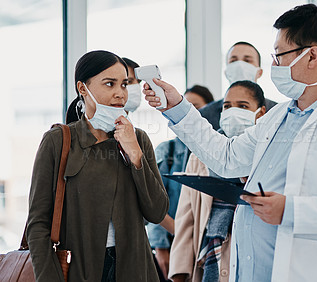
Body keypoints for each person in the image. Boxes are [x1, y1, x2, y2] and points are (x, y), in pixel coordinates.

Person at [142, 4, 317, 282]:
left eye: (280, 55)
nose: (274, 65)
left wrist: (291, 210)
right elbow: (227, 158)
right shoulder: (278, 116)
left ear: (312, 56)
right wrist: (177, 106)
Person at [27, 50, 169, 282]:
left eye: (123, 84)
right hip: (79, 270)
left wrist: (134, 154)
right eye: (109, 84)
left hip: (134, 269)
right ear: (82, 88)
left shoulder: (139, 139)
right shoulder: (58, 141)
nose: (119, 93)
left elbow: (157, 211)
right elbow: (38, 224)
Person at [169, 81, 266, 282]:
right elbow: (186, 218)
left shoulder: (269, 155)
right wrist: (179, 272)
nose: (233, 112)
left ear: (261, 113)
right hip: (209, 256)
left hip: (252, 255)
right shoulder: (200, 155)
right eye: (227, 106)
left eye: (243, 106)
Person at [148, 84, 214, 280]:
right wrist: (162, 247)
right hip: (171, 242)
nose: (189, 111)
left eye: (197, 107)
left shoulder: (215, 152)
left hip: (203, 244)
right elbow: (153, 202)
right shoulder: (166, 151)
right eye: (185, 105)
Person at [199, 41, 276, 130]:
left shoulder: (277, 112)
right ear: (226, 72)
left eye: (247, 60)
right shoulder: (205, 116)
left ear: (259, 72)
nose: (240, 66)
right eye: (233, 61)